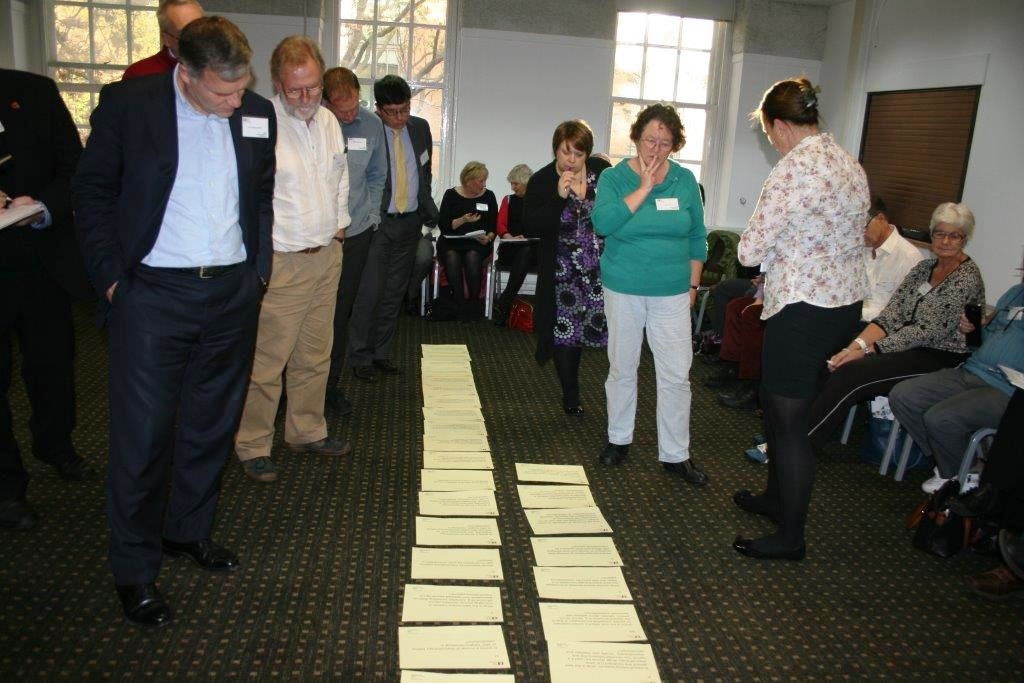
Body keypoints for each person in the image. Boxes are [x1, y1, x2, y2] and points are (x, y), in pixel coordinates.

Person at [74, 16, 276, 627]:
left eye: (240, 90)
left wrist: (258, 270)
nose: (234, 102)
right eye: (221, 92)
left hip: (232, 293)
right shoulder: (130, 106)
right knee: (143, 437)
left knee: (210, 426)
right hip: (153, 295)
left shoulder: (255, 111)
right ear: (183, 73)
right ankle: (134, 570)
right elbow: (93, 194)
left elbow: (261, 193)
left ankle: (186, 531)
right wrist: (114, 281)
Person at [733, 77, 869, 561]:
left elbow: (749, 251)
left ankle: (790, 537)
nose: (770, 140)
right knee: (779, 408)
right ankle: (775, 499)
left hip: (802, 308)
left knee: (788, 425)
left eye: (768, 132)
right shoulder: (847, 162)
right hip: (842, 308)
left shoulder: (795, 169)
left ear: (778, 125)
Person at [233, 37, 352, 484]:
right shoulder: (259, 121)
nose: (306, 98)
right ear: (278, 83)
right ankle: (252, 443)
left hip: (326, 254)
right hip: (283, 260)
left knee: (315, 355)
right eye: (296, 89)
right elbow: (249, 194)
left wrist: (340, 226)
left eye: (313, 87)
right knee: (267, 362)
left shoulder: (326, 120)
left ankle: (306, 429)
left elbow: (341, 176)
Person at [592, 104, 708, 485]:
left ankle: (676, 455)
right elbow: (604, 223)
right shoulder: (613, 178)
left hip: (673, 291)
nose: (656, 149)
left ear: (675, 145)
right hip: (623, 287)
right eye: (649, 140)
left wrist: (693, 285)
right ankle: (618, 438)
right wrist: (644, 187)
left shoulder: (685, 181)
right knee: (623, 366)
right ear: (636, 138)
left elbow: (696, 237)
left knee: (676, 375)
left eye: (665, 141)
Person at [0, 69, 95, 531]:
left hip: (42, 258)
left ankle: (56, 446)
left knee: (53, 364)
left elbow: (72, 165)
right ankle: (7, 488)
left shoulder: (33, 90)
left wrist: (39, 205)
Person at [808, 202, 984, 445]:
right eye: (940, 234)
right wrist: (852, 347)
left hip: (939, 356)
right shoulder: (923, 269)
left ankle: (797, 444)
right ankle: (791, 430)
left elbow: (925, 332)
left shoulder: (966, 278)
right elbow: (892, 314)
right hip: (906, 345)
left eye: (954, 236)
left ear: (964, 239)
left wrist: (866, 351)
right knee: (833, 357)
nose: (945, 241)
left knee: (852, 372)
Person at [890, 271, 1023, 493]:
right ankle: (958, 464)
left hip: (1007, 389)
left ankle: (960, 472)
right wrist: (972, 331)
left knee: (941, 418)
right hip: (972, 370)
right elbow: (982, 341)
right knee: (903, 396)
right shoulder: (1014, 294)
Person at [347, 75, 438, 381]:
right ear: (379, 109)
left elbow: (424, 172)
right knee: (369, 292)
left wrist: (426, 207)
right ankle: (359, 356)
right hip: (379, 223)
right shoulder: (370, 130)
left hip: (410, 221)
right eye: (393, 112)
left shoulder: (421, 128)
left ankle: (381, 353)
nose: (400, 117)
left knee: (394, 293)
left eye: (405, 109)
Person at [523, 120, 609, 415]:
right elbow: (531, 225)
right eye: (565, 152)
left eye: (578, 154)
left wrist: (590, 196)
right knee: (566, 335)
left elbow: (616, 214)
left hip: (601, 270)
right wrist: (559, 198)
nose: (571, 160)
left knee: (611, 333)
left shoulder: (601, 175)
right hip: (563, 273)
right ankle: (571, 396)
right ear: (555, 149)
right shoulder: (542, 180)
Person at [322, 66, 386, 414]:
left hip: (358, 231)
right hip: (317, 235)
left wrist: (373, 214)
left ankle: (330, 388)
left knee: (340, 314)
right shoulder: (315, 123)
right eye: (340, 109)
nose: (348, 115)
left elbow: (377, 175)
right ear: (326, 101)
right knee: (312, 314)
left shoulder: (371, 125)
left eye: (352, 108)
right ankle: (295, 389)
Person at [437, 161, 498, 321]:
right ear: (468, 180)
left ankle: (473, 302)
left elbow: (493, 225)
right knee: (451, 256)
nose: (483, 184)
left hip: (478, 243)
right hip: (452, 241)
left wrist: (489, 237)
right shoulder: (451, 194)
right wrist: (463, 220)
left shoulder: (488, 196)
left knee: (472, 255)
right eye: (480, 181)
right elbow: (443, 226)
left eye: (485, 180)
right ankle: (459, 303)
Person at [492, 163, 536, 325]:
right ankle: (506, 301)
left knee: (527, 251)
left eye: (515, 184)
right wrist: (508, 236)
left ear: (525, 183)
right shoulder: (508, 200)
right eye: (511, 183)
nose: (512, 187)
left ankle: (505, 300)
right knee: (525, 252)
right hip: (510, 248)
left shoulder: (536, 202)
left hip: (531, 248)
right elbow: (500, 225)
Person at [123, 0, 204, 79]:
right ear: (166, 39)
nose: (195, 38)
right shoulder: (139, 74)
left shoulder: (215, 67)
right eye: (185, 33)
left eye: (200, 29)